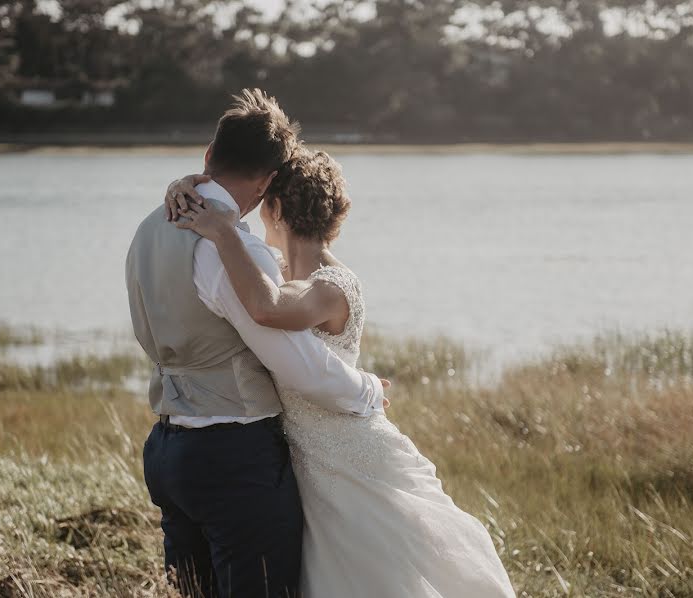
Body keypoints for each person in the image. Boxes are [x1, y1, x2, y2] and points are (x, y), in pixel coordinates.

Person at [164, 147, 516, 597]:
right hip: (303, 458)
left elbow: (269, 309)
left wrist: (223, 232)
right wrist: (182, 187)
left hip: (348, 454)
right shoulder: (274, 271)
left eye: (261, 199)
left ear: (274, 207)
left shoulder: (333, 285)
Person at [125, 89, 389, 598]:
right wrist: (368, 391)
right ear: (269, 181)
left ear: (208, 155)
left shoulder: (150, 226)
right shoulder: (235, 250)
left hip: (166, 449)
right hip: (233, 457)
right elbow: (298, 365)